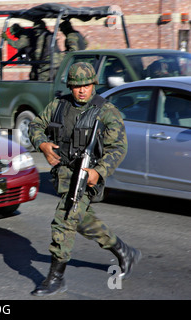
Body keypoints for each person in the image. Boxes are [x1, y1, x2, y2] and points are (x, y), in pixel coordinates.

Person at [28, 62, 141, 296]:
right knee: (81, 220)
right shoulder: (59, 105)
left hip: (87, 177)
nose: (81, 90)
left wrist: (98, 171)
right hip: (63, 175)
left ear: (93, 85)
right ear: (70, 86)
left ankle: (56, 277)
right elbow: (36, 124)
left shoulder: (106, 111)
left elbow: (118, 148)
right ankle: (124, 251)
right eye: (77, 86)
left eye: (87, 85)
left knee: (64, 220)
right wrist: (43, 144)